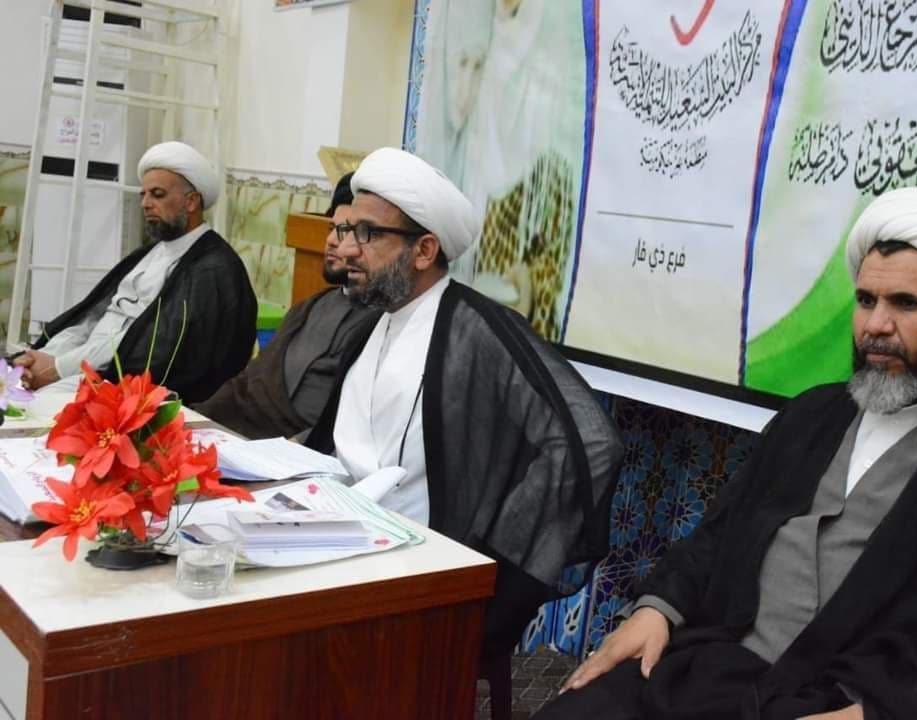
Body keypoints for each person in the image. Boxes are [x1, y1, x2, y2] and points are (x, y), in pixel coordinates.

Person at [537, 187, 917, 720]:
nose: (876, 326)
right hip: (708, 671)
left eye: (906, 304)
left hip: (846, 704)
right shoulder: (812, 415)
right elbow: (717, 536)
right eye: (866, 300)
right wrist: (655, 611)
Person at [305, 147, 623, 657]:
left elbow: (590, 443)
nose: (347, 248)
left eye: (367, 233)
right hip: (337, 548)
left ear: (424, 250)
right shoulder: (372, 325)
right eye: (346, 230)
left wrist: (500, 568)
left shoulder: (478, 329)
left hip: (414, 577)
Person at [16, 141, 256, 404]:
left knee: (35, 406)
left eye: (157, 194)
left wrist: (59, 368)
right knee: (13, 384)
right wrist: (46, 357)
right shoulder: (151, 253)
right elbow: (95, 318)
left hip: (128, 380)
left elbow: (150, 348)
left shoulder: (212, 270)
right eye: (143, 195)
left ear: (191, 202)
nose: (145, 204)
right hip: (85, 365)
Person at [193, 172, 379, 438]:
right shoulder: (312, 305)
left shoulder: (384, 323)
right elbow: (249, 384)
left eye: (347, 231)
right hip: (238, 437)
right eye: (332, 228)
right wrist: (194, 420)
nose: (331, 240)